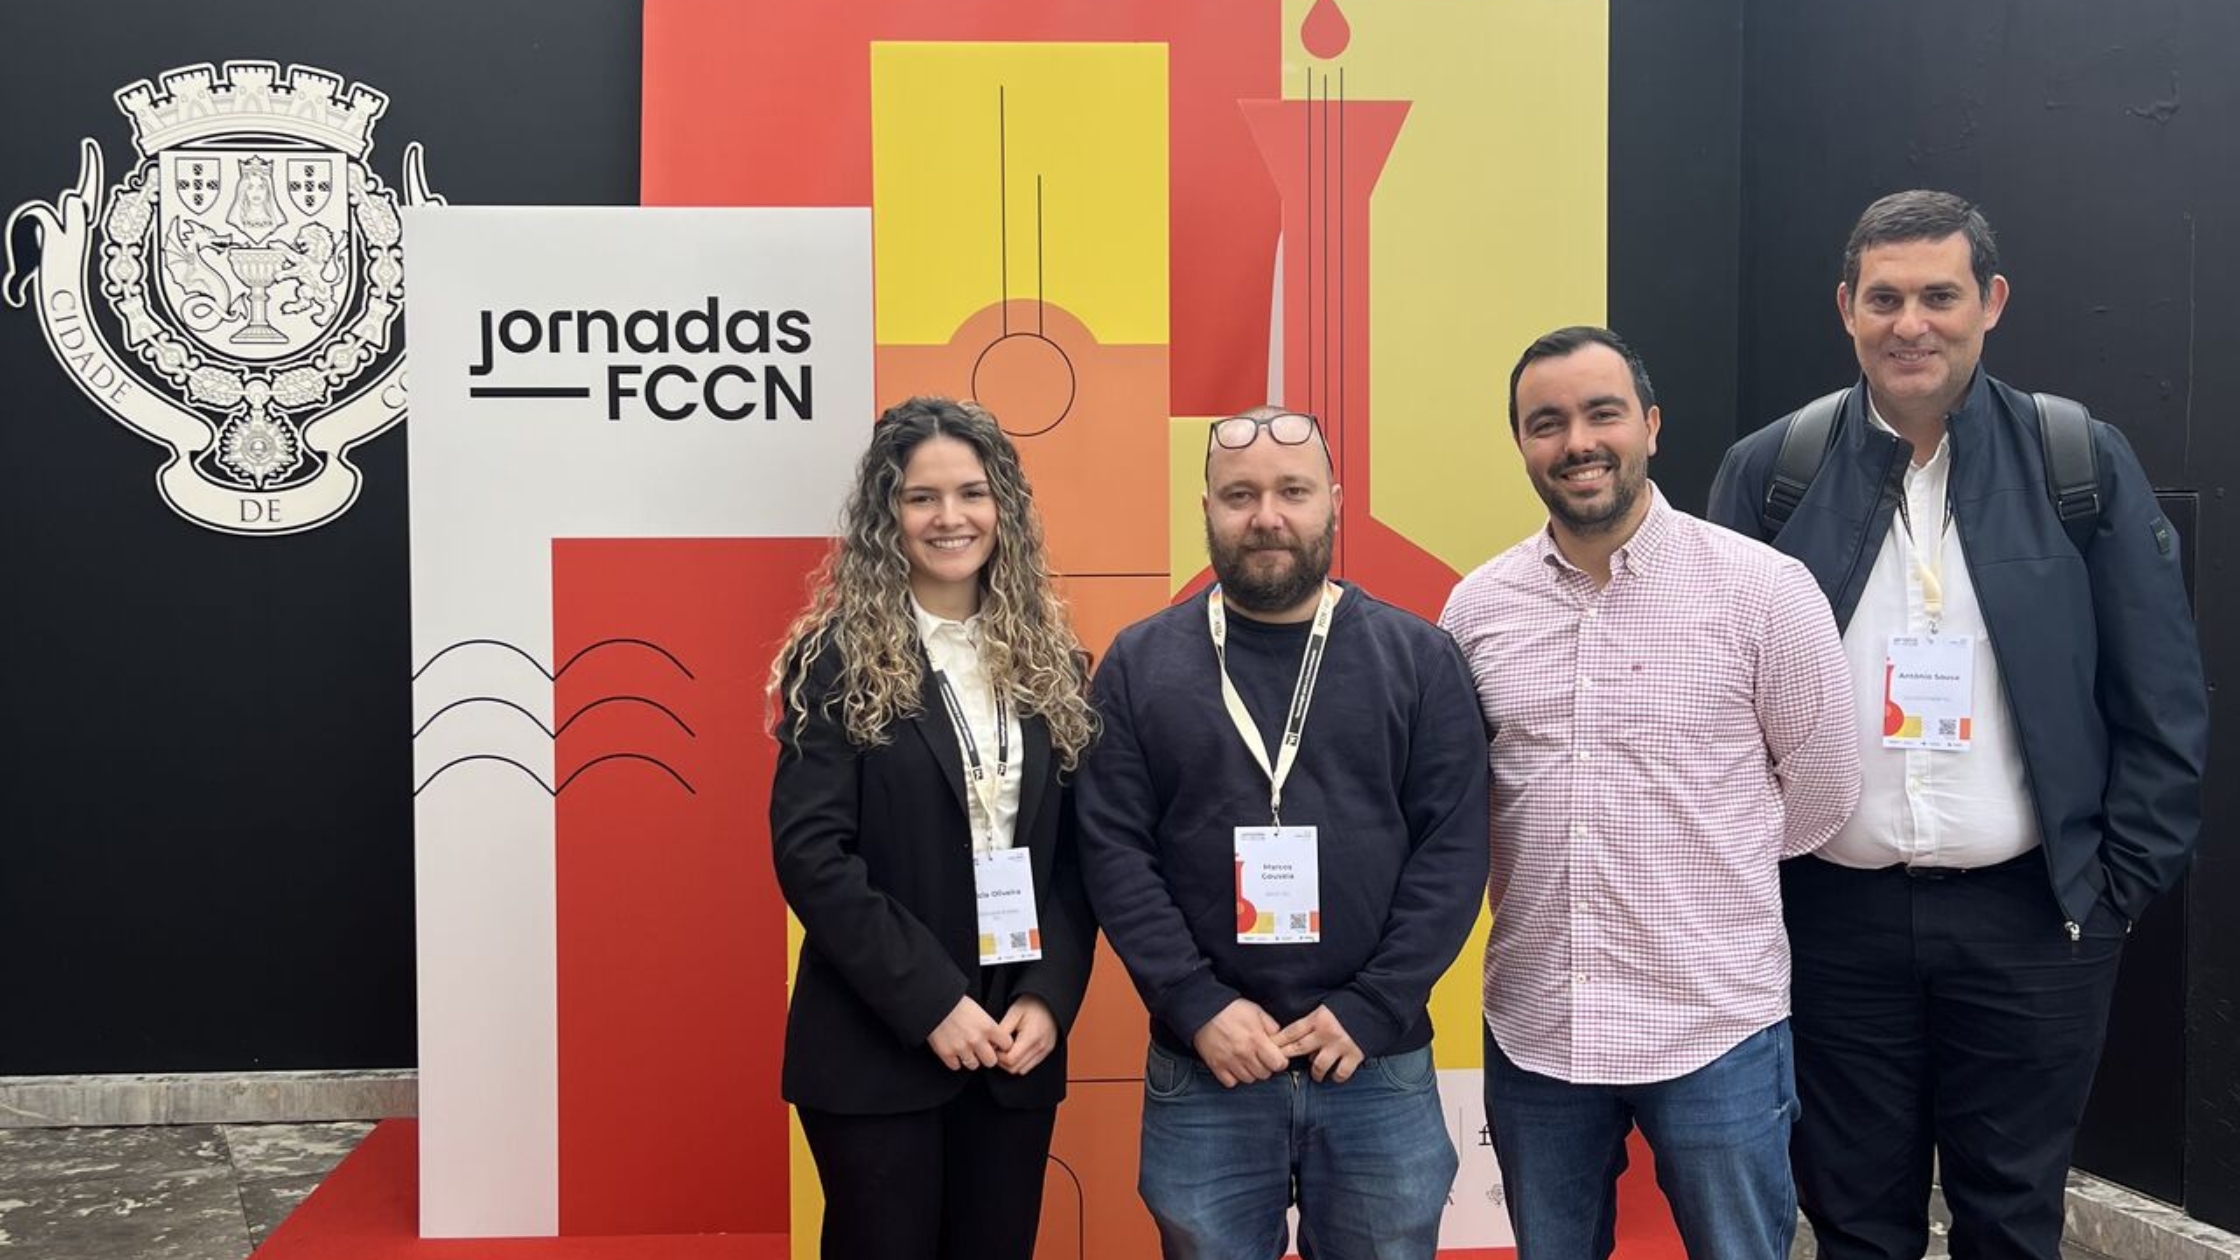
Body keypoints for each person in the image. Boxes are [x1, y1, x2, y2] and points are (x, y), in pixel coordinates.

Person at [1708, 190, 2209, 1260]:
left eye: (1938, 295)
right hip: (1831, 921)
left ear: (1990, 302)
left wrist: (2112, 889)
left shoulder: (2076, 461)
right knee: (1851, 1220)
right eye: (1883, 298)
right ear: (1844, 307)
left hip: (2032, 923)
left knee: (2011, 1222)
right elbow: (1712, 706)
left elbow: (2159, 696)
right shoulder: (1770, 474)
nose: (1910, 323)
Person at [1439, 326, 1859, 1259]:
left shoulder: (1764, 591)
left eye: (1602, 413)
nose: (1577, 442)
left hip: (1716, 1027)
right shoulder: (1476, 611)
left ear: (1652, 426)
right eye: (1546, 422)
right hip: (1539, 1027)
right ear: (1520, 444)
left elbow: (1824, 789)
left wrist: (1711, 876)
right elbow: (1461, 807)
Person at [1076, 405, 1489, 1260]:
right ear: (1206, 510)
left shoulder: (1419, 658)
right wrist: (1196, 1005)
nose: (1267, 515)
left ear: (1334, 502)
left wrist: (1371, 1008)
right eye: (1241, 494)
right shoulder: (1139, 663)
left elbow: (1453, 850)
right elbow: (1114, 851)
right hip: (1206, 1065)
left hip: (1374, 1064)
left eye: (1293, 491)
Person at [767, 396, 1098, 1260]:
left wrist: (1047, 996)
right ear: (888, 515)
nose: (950, 517)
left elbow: (1074, 859)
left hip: (1013, 1043)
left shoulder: (1052, 661)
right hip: (878, 1046)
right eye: (922, 498)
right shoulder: (833, 657)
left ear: (1005, 510)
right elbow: (813, 858)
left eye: (972, 493)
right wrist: (931, 1003)